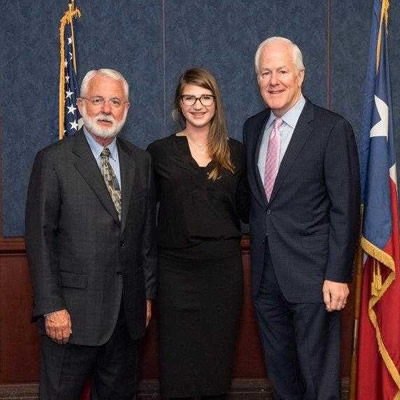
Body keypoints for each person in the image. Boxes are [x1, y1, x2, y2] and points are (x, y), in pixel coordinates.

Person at [25, 68, 157, 400]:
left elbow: (145, 238)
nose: (106, 109)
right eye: (98, 100)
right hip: (70, 317)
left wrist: (147, 296)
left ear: (126, 108)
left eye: (115, 101)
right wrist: (51, 306)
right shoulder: (53, 160)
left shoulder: (139, 162)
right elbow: (40, 239)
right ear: (82, 105)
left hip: (126, 318)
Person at [243, 37, 360, 400]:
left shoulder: (331, 129)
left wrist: (338, 274)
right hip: (265, 278)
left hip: (314, 279)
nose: (273, 81)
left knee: (319, 381)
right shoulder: (252, 127)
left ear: (300, 75)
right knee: (282, 379)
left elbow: (345, 207)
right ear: (257, 79)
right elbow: (259, 203)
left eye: (282, 71)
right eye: (265, 73)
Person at [147, 67, 248, 399]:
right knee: (176, 362)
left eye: (205, 97)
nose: (198, 104)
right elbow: (145, 217)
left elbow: (249, 209)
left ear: (216, 103)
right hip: (175, 273)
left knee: (216, 361)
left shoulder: (236, 152)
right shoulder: (159, 152)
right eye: (189, 97)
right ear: (179, 103)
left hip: (223, 273)